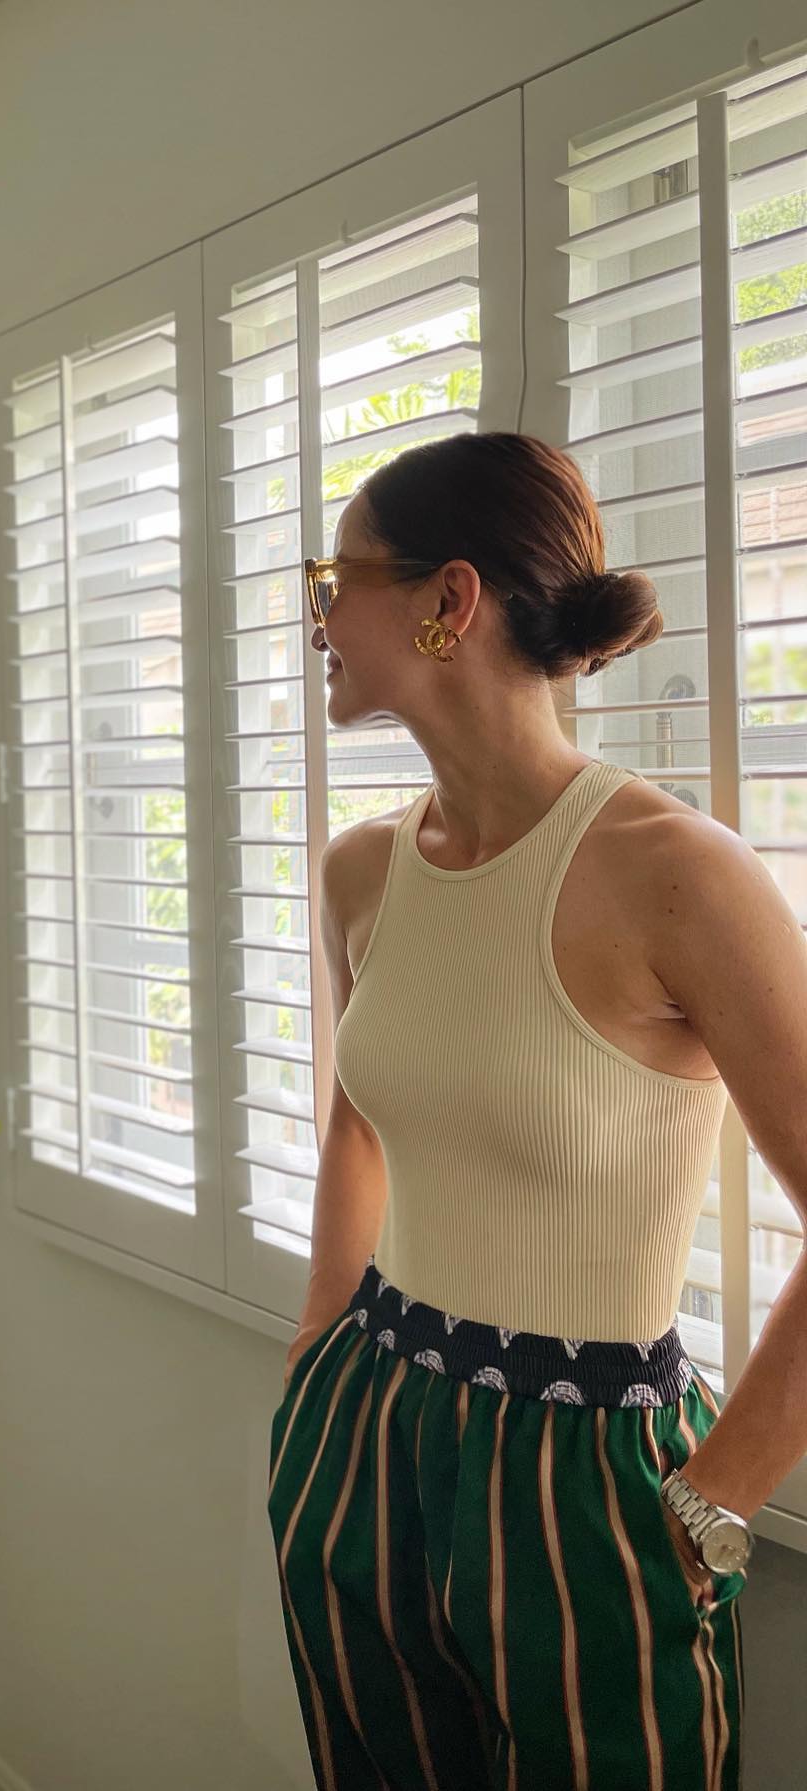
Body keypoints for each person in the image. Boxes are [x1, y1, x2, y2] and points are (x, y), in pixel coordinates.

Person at [267, 433, 805, 1790]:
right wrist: (318, 1366)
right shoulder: (359, 872)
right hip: (368, 1427)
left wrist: (715, 1501)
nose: (316, 617)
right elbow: (357, 1121)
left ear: (447, 600)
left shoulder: (679, 874)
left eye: (336, 579)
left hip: (593, 1473)